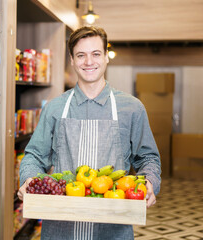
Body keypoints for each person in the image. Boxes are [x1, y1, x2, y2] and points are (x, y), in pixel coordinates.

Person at [17, 25, 161, 240]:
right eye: (81, 55)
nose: (89, 62)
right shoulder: (55, 108)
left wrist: (149, 182)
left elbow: (147, 157)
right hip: (60, 229)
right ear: (72, 60)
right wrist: (28, 178)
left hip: (113, 228)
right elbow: (34, 156)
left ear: (106, 57)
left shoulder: (131, 108)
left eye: (96, 54)